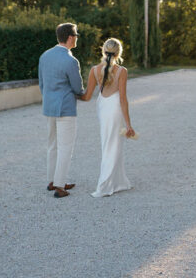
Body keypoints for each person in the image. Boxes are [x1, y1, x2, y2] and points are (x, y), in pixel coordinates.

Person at [78, 37, 135, 197]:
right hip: (115, 108)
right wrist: (128, 124)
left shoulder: (94, 70)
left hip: (103, 107)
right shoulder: (122, 71)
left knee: (108, 143)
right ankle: (104, 186)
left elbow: (87, 96)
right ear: (118, 53)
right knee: (114, 144)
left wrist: (70, 92)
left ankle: (119, 182)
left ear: (103, 51)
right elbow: (123, 99)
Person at [38, 21, 85, 199]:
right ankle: (59, 186)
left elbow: (42, 84)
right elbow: (77, 87)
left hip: (49, 107)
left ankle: (52, 180)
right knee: (66, 147)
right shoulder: (71, 60)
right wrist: (83, 94)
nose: (76, 40)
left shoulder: (44, 56)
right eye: (76, 36)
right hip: (65, 108)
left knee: (52, 146)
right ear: (71, 38)